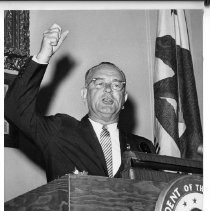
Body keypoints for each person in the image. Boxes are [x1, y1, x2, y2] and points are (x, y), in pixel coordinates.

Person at [5, 24, 156, 182]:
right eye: (98, 83)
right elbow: (14, 109)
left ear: (123, 99)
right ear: (84, 94)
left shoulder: (142, 147)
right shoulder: (60, 131)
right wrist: (43, 56)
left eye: (116, 85)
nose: (108, 89)